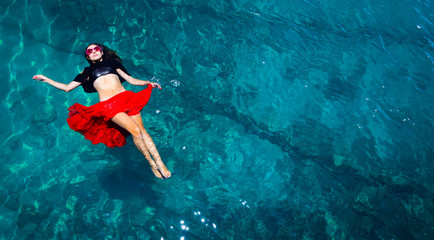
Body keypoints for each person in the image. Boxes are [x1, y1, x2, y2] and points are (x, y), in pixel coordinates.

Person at [33, 43, 171, 179]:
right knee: (135, 131)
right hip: (109, 105)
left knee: (143, 131)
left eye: (96, 49)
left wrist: (148, 83)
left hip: (126, 98)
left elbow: (131, 80)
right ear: (88, 57)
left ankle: (160, 162)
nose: (93, 51)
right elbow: (67, 87)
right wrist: (46, 80)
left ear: (102, 51)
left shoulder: (114, 65)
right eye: (89, 51)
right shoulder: (86, 72)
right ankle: (151, 163)